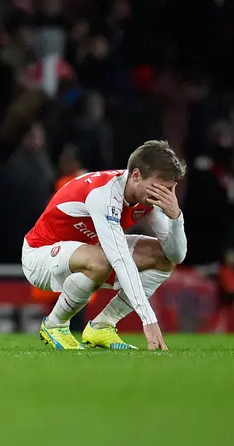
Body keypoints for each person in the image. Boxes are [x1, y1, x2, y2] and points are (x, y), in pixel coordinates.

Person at [22, 140, 187, 351]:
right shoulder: (104, 194)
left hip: (85, 253)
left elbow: (177, 255)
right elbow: (118, 258)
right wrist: (149, 320)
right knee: (101, 261)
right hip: (40, 255)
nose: (167, 195)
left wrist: (176, 218)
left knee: (163, 258)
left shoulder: (147, 197)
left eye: (171, 188)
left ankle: (102, 325)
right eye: (162, 186)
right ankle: (55, 324)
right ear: (136, 175)